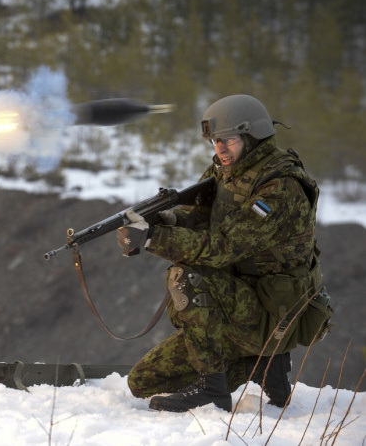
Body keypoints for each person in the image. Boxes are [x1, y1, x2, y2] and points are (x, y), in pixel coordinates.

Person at [116, 94, 330, 413]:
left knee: (186, 275)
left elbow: (223, 247)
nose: (220, 148)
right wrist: (163, 219)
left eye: (227, 139)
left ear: (251, 135)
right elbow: (202, 217)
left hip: (274, 311)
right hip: (242, 300)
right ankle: (260, 366)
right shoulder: (227, 172)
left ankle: (213, 389)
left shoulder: (279, 188)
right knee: (143, 382)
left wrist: (152, 238)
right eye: (215, 141)